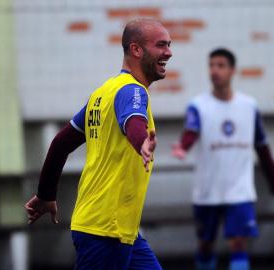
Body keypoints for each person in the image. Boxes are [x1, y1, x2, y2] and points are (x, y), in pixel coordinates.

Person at [24, 18, 172, 270]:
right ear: (136, 49)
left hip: (122, 231)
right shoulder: (133, 91)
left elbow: (61, 143)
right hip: (105, 231)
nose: (168, 52)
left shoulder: (103, 93)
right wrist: (142, 143)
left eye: (168, 45)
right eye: (161, 45)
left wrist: (46, 194)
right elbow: (134, 122)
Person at [172, 48, 274, 270]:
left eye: (220, 65)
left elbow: (262, 145)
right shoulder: (198, 105)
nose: (214, 70)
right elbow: (191, 130)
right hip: (207, 191)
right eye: (211, 65)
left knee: (239, 243)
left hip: (239, 191)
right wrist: (183, 147)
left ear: (232, 71)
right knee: (205, 244)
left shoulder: (249, 106)